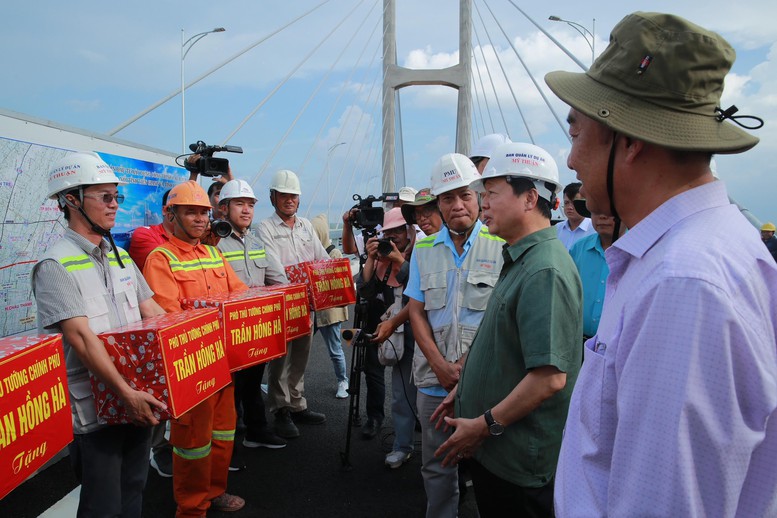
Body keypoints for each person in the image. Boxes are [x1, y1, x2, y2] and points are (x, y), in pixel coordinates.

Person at [545, 12, 776, 517]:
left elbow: (666, 502)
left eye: (577, 133)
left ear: (629, 141)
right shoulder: (696, 250)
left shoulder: (683, 283)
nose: (571, 160)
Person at [433, 142, 582, 517]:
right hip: (499, 452)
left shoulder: (544, 270)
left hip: (517, 462)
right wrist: (465, 390)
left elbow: (549, 378)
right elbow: (503, 343)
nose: (482, 204)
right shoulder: (521, 256)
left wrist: (483, 426)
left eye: (491, 194)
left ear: (530, 198)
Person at [32, 152, 167, 517]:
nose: (114, 206)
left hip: (138, 396)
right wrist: (126, 394)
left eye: (116, 197)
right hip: (96, 408)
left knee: (134, 491)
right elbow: (82, 340)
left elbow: (154, 314)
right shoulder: (54, 265)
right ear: (71, 200)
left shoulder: (119, 256)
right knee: (103, 506)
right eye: (104, 197)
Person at [405, 153, 504, 517]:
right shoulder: (425, 248)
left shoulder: (500, 242)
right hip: (434, 382)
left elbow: (501, 315)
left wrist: (464, 367)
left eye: (464, 195)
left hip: (486, 382)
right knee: (436, 466)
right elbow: (416, 311)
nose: (457, 205)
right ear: (438, 205)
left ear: (478, 197)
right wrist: (441, 366)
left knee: (492, 467)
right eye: (448, 198)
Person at [143, 180, 247, 516]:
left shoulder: (215, 253)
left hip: (223, 365)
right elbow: (169, 318)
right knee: (192, 444)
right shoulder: (161, 259)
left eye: (204, 211)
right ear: (170, 214)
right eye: (191, 212)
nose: (201, 219)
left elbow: (239, 296)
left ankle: (215, 492)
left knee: (222, 433)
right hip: (192, 368)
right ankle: (191, 508)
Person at [216, 179, 288, 452]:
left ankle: (256, 431)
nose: (246, 210)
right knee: (228, 393)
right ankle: (226, 448)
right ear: (224, 208)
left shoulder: (257, 242)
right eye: (239, 204)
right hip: (227, 332)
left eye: (250, 205)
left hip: (255, 329)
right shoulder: (214, 243)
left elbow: (277, 280)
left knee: (253, 383)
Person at [257, 169, 329, 439]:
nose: (289, 200)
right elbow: (274, 269)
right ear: (273, 197)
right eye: (284, 195)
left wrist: (330, 278)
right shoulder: (265, 228)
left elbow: (320, 259)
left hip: (306, 303)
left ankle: (297, 403)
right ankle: (280, 409)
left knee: (301, 355)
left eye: (293, 196)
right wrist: (295, 286)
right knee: (281, 359)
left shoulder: (306, 226)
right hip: (283, 302)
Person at [355, 208, 416, 455]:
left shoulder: (420, 252)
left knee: (417, 385)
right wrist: (371, 258)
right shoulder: (381, 258)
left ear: (409, 231)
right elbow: (365, 290)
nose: (394, 236)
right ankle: (379, 422)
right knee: (378, 375)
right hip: (379, 323)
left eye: (399, 230)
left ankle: (418, 429)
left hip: (412, 326)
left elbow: (420, 287)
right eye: (389, 231)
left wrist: (399, 259)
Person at [310, 214, 350, 399]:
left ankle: (343, 381)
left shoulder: (334, 253)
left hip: (329, 311)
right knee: (298, 350)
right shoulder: (309, 253)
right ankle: (284, 385)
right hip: (314, 310)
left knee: (335, 349)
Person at [568, 213, 624, 340]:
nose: (602, 217)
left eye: (610, 212)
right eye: (596, 211)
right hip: (577, 341)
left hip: (615, 346)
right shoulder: (578, 248)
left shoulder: (636, 252)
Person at [555, 182, 595, 250]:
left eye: (574, 203)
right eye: (566, 203)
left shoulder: (594, 229)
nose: (569, 207)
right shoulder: (557, 229)